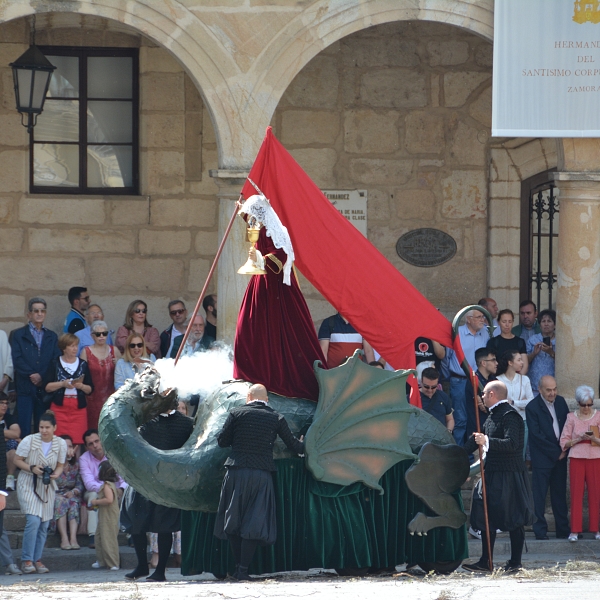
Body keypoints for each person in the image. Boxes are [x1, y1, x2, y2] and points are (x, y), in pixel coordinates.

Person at [233, 206, 328, 402]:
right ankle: (251, 373)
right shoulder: (259, 226)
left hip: (277, 288)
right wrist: (242, 210)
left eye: (253, 215)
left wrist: (260, 258)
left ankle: (276, 378)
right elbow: (251, 226)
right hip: (261, 284)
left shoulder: (277, 231)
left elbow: (281, 256)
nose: (251, 220)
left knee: (282, 333)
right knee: (248, 327)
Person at [214, 383, 305, 581]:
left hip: (236, 472)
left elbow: (221, 441)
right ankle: (243, 570)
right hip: (261, 475)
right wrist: (304, 442)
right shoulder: (276, 417)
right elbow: (295, 446)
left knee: (233, 521)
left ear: (248, 397)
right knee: (254, 523)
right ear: (266, 399)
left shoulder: (236, 413)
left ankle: (238, 567)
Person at [462, 381, 534, 573]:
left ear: (492, 394)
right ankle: (486, 561)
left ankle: (515, 563)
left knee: (515, 518)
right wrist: (457, 453)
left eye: (484, 394)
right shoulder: (492, 416)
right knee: (488, 516)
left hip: (510, 475)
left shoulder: (511, 416)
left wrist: (487, 441)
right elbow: (477, 439)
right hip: (493, 473)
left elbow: (512, 444)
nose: (482, 397)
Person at [122, 405, 194, 582]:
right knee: (136, 523)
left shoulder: (186, 423)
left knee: (165, 526)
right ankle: (141, 566)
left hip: (168, 481)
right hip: (144, 478)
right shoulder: (147, 420)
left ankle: (160, 570)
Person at [13, 411, 67, 574]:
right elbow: (17, 460)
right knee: (34, 520)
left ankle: (37, 559)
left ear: (54, 428)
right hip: (28, 482)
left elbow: (60, 464)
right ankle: (27, 560)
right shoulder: (29, 440)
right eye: (41, 427)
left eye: (47, 427)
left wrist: (56, 474)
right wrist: (31, 468)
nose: (44, 430)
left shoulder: (61, 444)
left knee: (44, 524)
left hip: (46, 484)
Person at [526, 376, 569, 541]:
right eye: (549, 390)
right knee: (540, 496)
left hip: (561, 457)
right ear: (540, 390)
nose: (553, 393)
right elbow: (536, 436)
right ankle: (540, 531)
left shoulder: (561, 402)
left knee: (559, 495)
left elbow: (567, 425)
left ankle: (563, 530)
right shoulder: (532, 407)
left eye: (554, 389)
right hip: (543, 459)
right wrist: (556, 452)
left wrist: (565, 448)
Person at [148, 399, 189, 570]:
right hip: (168, 479)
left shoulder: (186, 424)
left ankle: (176, 564)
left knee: (171, 524)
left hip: (173, 479)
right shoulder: (151, 422)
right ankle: (160, 568)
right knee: (164, 526)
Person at [11, 297, 60, 437]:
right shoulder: (18, 335)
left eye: (42, 311)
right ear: (29, 314)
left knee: (43, 427)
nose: (39, 313)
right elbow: (17, 358)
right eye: (36, 311)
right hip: (25, 386)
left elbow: (55, 360)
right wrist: (32, 374)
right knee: (24, 426)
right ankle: (24, 458)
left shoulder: (52, 336)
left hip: (43, 388)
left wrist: (42, 376)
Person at [442, 309, 490, 445]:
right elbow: (447, 357)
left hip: (479, 381)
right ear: (468, 319)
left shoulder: (485, 333)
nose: (482, 319)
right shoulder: (457, 332)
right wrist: (448, 377)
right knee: (460, 418)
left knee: (476, 418)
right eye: (478, 317)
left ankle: (475, 454)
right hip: (460, 381)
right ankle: (459, 454)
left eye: (483, 317)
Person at [559, 385, 600, 542]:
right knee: (576, 493)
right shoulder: (571, 417)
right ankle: (575, 530)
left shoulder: (598, 416)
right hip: (576, 457)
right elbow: (564, 440)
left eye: (589, 404)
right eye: (583, 405)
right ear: (578, 403)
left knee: (595, 493)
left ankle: (595, 529)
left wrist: (593, 439)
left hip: (595, 457)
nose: (587, 408)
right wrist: (579, 439)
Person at [80, 429, 127, 549]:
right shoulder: (84, 459)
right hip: (96, 491)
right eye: (91, 444)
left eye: (97, 441)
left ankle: (130, 534)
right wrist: (107, 491)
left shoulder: (114, 453)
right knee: (92, 497)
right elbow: (89, 483)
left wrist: (120, 489)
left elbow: (124, 478)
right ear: (86, 447)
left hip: (117, 491)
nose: (95, 446)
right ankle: (93, 535)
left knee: (128, 496)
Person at [43, 333, 93, 446]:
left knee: (79, 440)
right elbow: (46, 387)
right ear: (64, 348)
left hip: (78, 407)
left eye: (76, 345)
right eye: (72, 346)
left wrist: (81, 386)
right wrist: (62, 384)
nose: (75, 348)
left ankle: (76, 463)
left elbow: (90, 389)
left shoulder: (83, 364)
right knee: (57, 440)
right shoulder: (54, 363)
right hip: (59, 407)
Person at [80, 321, 121, 429]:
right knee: (93, 430)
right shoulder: (86, 352)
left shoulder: (114, 350)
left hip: (111, 398)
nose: (102, 336)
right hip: (91, 399)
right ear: (92, 335)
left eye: (104, 333)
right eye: (98, 334)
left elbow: (122, 374)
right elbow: (81, 376)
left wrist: (118, 364)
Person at [495, 350, 534, 457]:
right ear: (510, 362)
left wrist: (513, 402)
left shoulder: (525, 379)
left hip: (523, 420)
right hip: (505, 421)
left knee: (520, 454)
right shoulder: (498, 380)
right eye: (519, 360)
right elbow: (500, 403)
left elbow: (530, 402)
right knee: (506, 454)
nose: (522, 363)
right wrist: (522, 403)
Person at [53, 434, 84, 550]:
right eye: (65, 446)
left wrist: (74, 491)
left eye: (70, 446)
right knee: (61, 501)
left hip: (70, 494)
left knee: (73, 502)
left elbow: (80, 484)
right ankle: (64, 538)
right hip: (54, 494)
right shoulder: (52, 464)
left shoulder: (75, 465)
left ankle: (73, 538)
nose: (68, 449)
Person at [90, 461, 120, 571]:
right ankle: (101, 560)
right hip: (104, 516)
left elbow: (109, 500)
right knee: (99, 537)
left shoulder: (107, 485)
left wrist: (95, 502)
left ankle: (113, 562)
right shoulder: (108, 485)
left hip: (109, 516)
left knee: (108, 538)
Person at [464, 348, 497, 441]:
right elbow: (484, 406)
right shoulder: (473, 381)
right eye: (493, 360)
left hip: (493, 433)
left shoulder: (494, 380)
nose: (496, 363)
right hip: (478, 432)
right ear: (483, 363)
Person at [486, 309, 528, 375]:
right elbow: (490, 363)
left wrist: (517, 380)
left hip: (516, 380)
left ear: (513, 322)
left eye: (510, 321)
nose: (507, 325)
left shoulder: (520, 342)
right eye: (504, 321)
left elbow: (524, 365)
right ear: (498, 322)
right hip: (498, 379)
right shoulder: (493, 342)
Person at [526, 309, 556, 394]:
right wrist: (534, 353)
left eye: (549, 321)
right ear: (540, 325)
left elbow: (565, 363)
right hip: (534, 386)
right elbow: (524, 362)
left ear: (555, 324)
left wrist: (551, 352)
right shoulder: (533, 340)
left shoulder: (560, 342)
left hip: (553, 386)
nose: (546, 324)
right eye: (543, 321)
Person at [419, 367, 454, 433]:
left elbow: (450, 419)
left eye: (433, 387)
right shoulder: (412, 398)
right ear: (421, 382)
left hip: (440, 438)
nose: (429, 390)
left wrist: (448, 432)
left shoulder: (443, 396)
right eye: (426, 386)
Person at [0, 393, 21, 491]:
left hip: (6, 452)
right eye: (1, 403)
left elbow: (16, 434)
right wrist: (7, 435)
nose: (5, 406)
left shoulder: (9, 418)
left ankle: (10, 478)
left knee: (13, 450)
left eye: (6, 403)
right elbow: (12, 434)